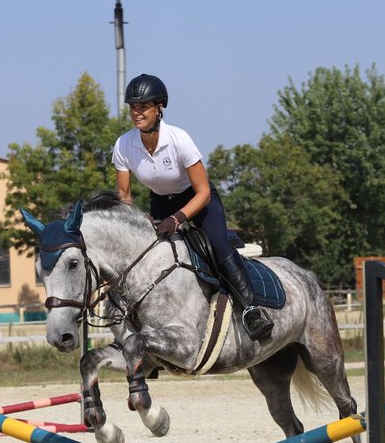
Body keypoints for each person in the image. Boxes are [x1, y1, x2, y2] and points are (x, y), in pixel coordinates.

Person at [111, 73, 274, 341]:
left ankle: (252, 310)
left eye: (142, 107)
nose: (136, 113)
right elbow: (124, 195)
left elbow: (203, 191)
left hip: (198, 200)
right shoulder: (123, 145)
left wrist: (177, 219)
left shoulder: (179, 139)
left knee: (218, 246)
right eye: (132, 108)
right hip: (161, 201)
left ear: (159, 107)